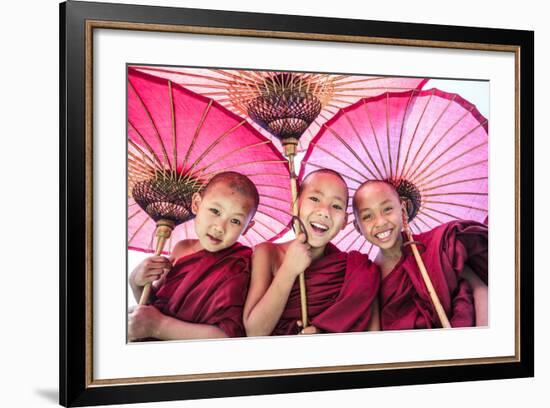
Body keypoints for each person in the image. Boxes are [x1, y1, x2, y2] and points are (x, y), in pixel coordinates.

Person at [243, 169, 380, 336]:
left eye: (336, 206)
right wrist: (288, 270)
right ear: (295, 205)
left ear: (344, 221)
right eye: (315, 199)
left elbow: (372, 338)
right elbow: (254, 331)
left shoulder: (355, 271)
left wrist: (323, 334)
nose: (324, 212)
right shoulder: (268, 253)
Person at [128, 171, 258, 341]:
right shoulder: (181, 249)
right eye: (215, 211)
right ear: (196, 204)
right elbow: (153, 307)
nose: (220, 227)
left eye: (235, 221)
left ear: (247, 227)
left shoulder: (241, 263)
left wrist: (159, 326)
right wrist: (136, 283)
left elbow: (227, 337)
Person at [352, 180, 488, 330]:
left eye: (387, 209)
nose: (380, 222)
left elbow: (480, 289)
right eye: (367, 216)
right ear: (358, 227)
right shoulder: (369, 278)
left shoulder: (436, 246)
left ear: (403, 210)